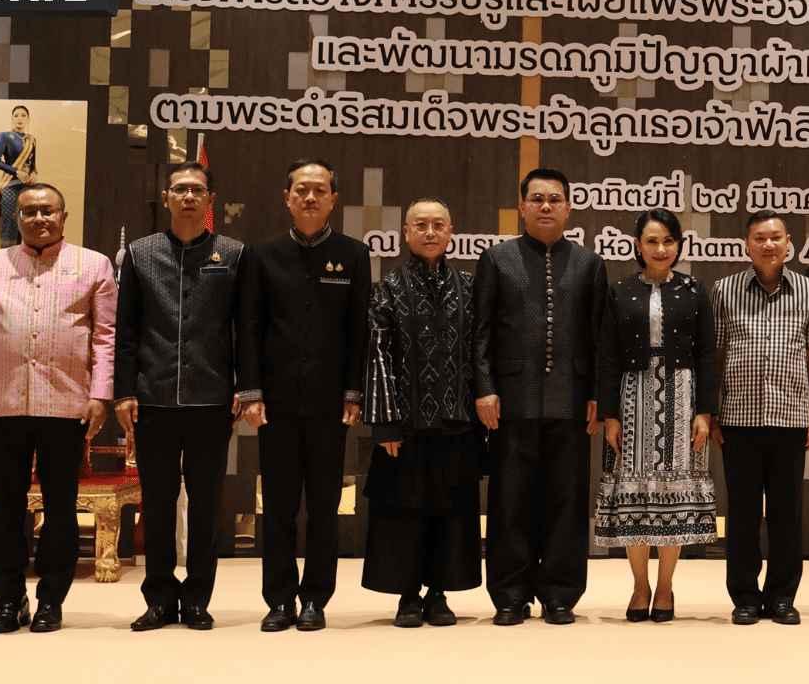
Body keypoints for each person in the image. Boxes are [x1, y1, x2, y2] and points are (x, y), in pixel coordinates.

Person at [0, 183, 115, 634]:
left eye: (48, 210)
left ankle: (50, 601)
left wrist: (100, 394)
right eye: (29, 212)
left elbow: (106, 336)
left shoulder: (94, 264)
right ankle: (8, 600)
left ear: (64, 215)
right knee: (5, 508)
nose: (39, 218)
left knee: (61, 508)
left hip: (66, 406)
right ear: (16, 219)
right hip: (1, 405)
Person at [237, 159, 370, 633]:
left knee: (324, 505)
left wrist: (354, 391)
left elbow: (359, 333)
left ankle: (315, 597)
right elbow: (248, 328)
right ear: (286, 197)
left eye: (319, 190)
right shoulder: (260, 254)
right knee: (276, 505)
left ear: (334, 198)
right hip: (274, 405)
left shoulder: (354, 255)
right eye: (301, 190)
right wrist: (250, 392)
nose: (310, 197)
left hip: (332, 405)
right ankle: (279, 600)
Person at [113, 162, 245, 632]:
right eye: (180, 190)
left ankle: (197, 600)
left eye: (198, 190)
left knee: (206, 502)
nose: (188, 197)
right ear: (166, 198)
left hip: (212, 399)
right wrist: (124, 391)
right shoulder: (141, 253)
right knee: (159, 501)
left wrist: (244, 388)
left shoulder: (232, 253)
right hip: (152, 399)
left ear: (210, 200)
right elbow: (125, 330)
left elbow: (244, 330)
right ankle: (159, 598)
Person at [473, 168, 608, 626]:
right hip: (510, 400)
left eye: (555, 199)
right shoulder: (497, 259)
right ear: (523, 207)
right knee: (509, 500)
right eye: (537, 199)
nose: (546, 206)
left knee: (567, 501)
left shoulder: (589, 263)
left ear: (569, 207)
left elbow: (599, 338)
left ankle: (560, 593)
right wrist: (485, 387)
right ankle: (510, 593)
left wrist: (597, 394)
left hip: (572, 400)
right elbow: (481, 334)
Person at [361, 199, 483, 627]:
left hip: (456, 423)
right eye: (421, 225)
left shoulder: (470, 287)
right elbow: (376, 356)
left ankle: (438, 593)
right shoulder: (387, 289)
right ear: (406, 233)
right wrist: (385, 421)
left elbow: (481, 351)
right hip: (405, 425)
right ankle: (407, 595)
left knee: (450, 511)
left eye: (438, 225)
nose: (430, 232)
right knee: (405, 512)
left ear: (451, 232)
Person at [593, 208, 718, 621]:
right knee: (635, 495)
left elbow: (705, 355)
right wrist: (610, 414)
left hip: (683, 399)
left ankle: (665, 587)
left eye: (668, 240)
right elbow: (608, 356)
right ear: (638, 246)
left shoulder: (696, 291)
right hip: (632, 399)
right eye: (652, 241)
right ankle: (640, 585)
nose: (660, 249)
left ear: (679, 245)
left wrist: (705, 411)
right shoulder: (620, 291)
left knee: (673, 496)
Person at [709, 213, 809, 626]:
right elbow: (716, 356)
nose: (768, 244)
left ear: (789, 242)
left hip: (791, 419)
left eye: (776, 237)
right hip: (738, 420)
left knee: (785, 514)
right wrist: (712, 412)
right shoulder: (725, 290)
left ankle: (781, 597)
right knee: (740, 513)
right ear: (746, 244)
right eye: (760, 238)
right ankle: (743, 596)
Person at [0, 105, 36, 247]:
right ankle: (6, 259)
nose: (20, 118)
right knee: (9, 225)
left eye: (23, 115)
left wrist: (33, 173)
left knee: (23, 222)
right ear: (12, 119)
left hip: (25, 189)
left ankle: (23, 259)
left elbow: (32, 164)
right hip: (9, 188)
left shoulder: (31, 140)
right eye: (16, 115)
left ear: (28, 119)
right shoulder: (5, 136)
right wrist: (16, 172)